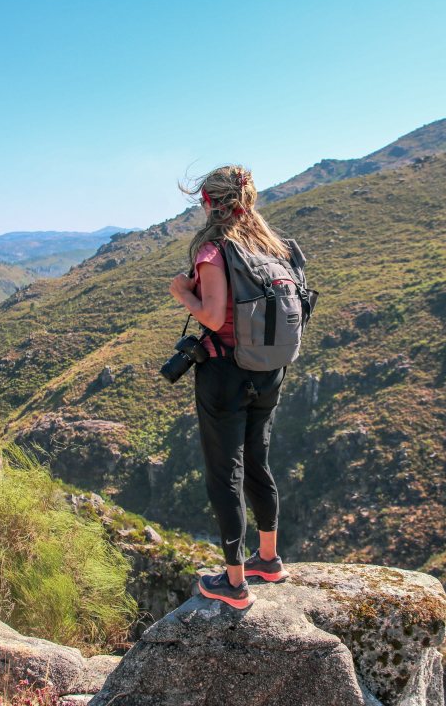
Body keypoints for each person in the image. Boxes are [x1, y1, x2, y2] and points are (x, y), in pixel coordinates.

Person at [169, 164, 292, 609]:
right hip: (269, 370)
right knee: (258, 461)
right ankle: (268, 559)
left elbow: (214, 315)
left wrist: (183, 292)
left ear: (208, 203)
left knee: (227, 473)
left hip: (225, 373)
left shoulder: (214, 248)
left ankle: (234, 583)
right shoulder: (270, 245)